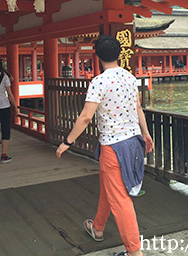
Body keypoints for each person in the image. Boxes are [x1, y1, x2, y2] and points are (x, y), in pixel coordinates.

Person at [56, 35, 154, 256]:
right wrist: (146, 133)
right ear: (119, 54)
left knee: (120, 198)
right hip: (133, 142)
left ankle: (134, 252)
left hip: (113, 146)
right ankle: (97, 228)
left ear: (98, 56)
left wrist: (67, 142)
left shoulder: (99, 82)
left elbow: (85, 117)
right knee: (109, 189)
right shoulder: (130, 78)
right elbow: (138, 109)